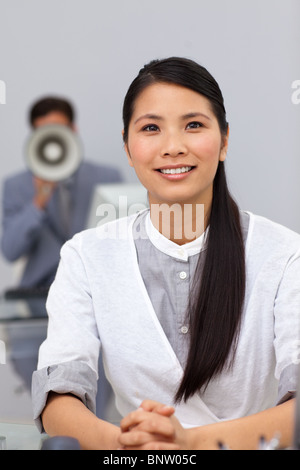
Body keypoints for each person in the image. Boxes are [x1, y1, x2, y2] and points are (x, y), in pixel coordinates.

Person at [32, 58, 300, 450]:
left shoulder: (285, 254)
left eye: (194, 125)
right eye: (151, 128)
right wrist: (129, 445)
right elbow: (59, 396)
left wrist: (186, 444)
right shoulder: (86, 256)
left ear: (224, 140)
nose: (173, 147)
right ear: (127, 146)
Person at [1, 96, 123, 289]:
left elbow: (121, 244)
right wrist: (38, 203)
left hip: (96, 286)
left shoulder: (107, 177)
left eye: (59, 131)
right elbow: (10, 251)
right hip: (39, 292)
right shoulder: (16, 185)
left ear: (73, 130)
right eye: (45, 133)